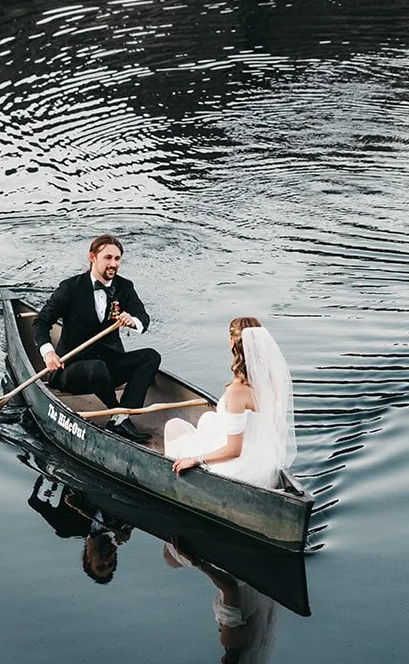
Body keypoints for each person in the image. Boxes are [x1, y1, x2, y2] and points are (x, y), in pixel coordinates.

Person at [33, 234, 160, 444]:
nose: (114, 264)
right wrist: (48, 353)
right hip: (72, 370)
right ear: (92, 257)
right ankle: (116, 411)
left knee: (151, 357)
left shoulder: (124, 287)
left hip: (109, 367)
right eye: (108, 258)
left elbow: (143, 318)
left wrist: (133, 320)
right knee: (95, 367)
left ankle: (121, 416)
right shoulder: (70, 288)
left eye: (118, 259)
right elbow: (41, 322)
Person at [164, 316, 294, 486]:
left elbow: (234, 450)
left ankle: (174, 483)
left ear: (232, 342)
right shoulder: (273, 382)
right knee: (207, 419)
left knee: (172, 427)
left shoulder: (236, 391)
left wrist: (196, 459)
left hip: (241, 468)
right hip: (265, 460)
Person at [163, 544, 279, 664]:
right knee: (169, 557)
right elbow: (229, 587)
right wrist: (199, 564)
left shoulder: (259, 630)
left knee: (173, 560)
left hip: (252, 573)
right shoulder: (230, 640)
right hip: (236, 570)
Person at [27, 474, 132, 584]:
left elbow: (37, 503)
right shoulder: (120, 526)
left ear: (87, 560)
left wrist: (50, 480)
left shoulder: (67, 527)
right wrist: (128, 527)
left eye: (100, 566)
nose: (107, 561)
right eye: (111, 563)